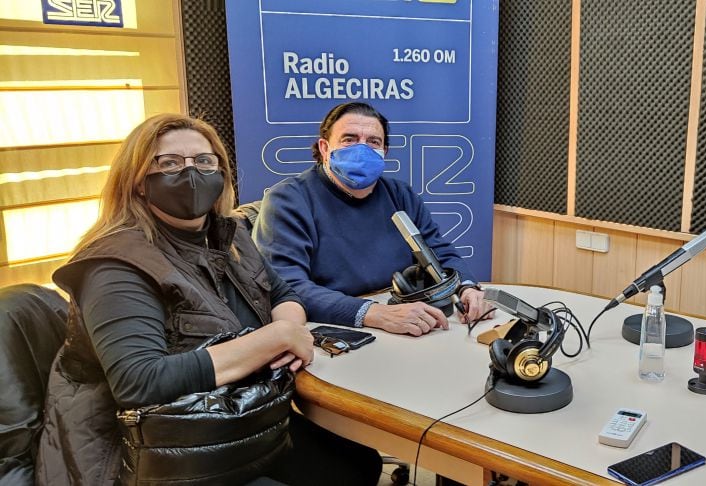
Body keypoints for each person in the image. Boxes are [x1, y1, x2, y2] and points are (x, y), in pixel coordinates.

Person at [35, 114, 382, 485]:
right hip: (159, 453)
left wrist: (287, 329)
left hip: (236, 417)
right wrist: (271, 340)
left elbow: (283, 293)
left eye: (204, 160)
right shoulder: (116, 264)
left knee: (358, 464)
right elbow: (139, 381)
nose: (191, 173)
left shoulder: (229, 237)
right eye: (169, 163)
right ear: (136, 182)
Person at [254, 102, 491, 335]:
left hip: (402, 317)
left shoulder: (400, 194)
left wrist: (466, 287)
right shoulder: (288, 199)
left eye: (373, 142)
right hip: (336, 327)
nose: (362, 149)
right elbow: (287, 286)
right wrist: (374, 314)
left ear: (384, 151)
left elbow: (438, 250)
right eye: (349, 139)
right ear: (325, 148)